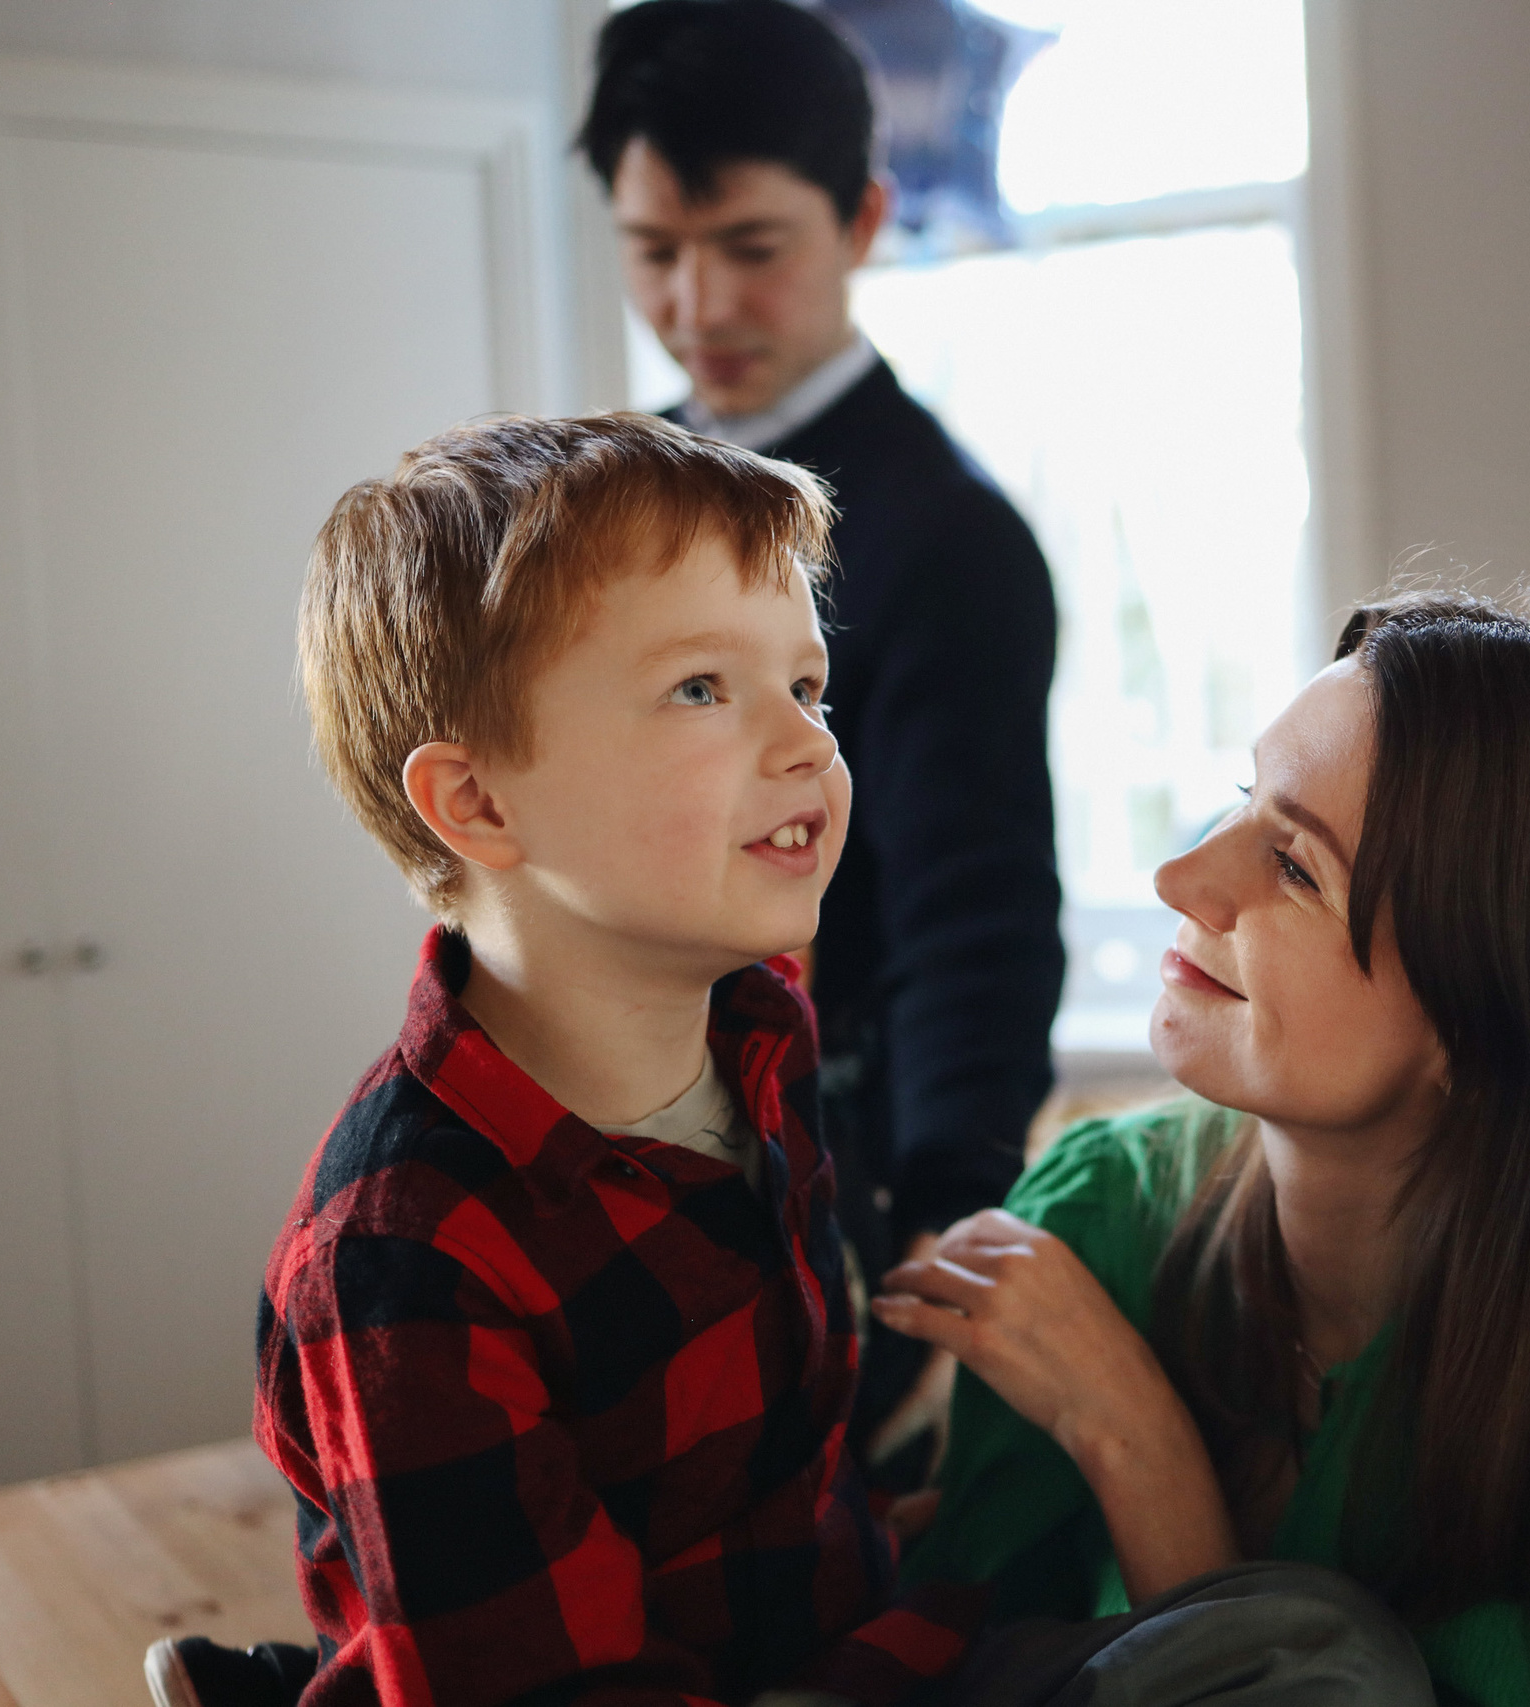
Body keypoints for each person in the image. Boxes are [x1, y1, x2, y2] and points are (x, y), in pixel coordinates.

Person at [880, 593, 1530, 1706]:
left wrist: (1135, 1444)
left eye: (1295, 867)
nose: (1181, 879)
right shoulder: (1094, 1220)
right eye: (1243, 799)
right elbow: (960, 1668)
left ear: (1499, 1019)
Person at [149, 413, 972, 1707]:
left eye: (806, 686)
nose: (811, 742)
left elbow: (781, 1458)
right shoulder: (404, 1251)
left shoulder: (766, 1032)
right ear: (478, 802)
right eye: (702, 688)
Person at [577, 0, 1067, 1475]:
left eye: (751, 246)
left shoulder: (949, 537)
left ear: (859, 221)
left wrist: (949, 1199)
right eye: (655, 251)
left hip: (829, 1162)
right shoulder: (609, 512)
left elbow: (975, 911)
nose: (698, 303)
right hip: (615, 1129)